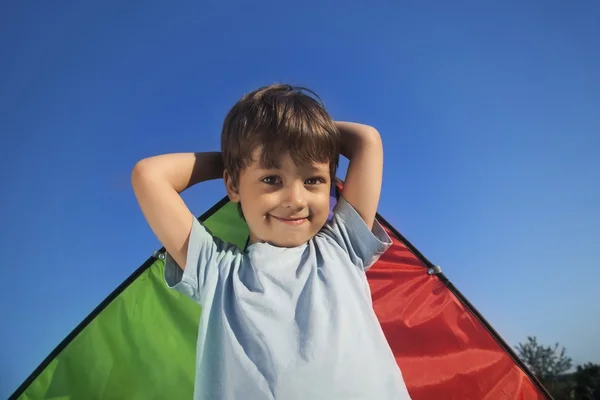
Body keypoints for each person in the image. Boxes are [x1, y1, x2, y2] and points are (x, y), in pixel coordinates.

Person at [131, 83, 412, 399]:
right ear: (233, 185)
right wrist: (239, 155)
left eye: (312, 180)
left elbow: (367, 141)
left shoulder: (342, 246)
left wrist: (300, 135)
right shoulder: (216, 272)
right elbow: (149, 175)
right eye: (271, 179)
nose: (295, 199)